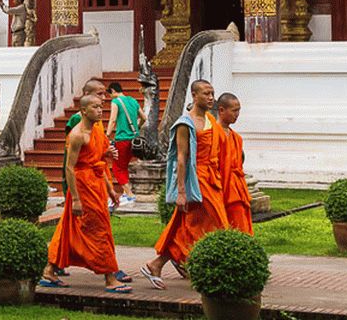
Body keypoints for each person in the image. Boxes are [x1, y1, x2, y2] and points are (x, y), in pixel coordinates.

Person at [141, 80, 228, 289]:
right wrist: (181, 192)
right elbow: (180, 159)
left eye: (212, 93)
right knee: (214, 226)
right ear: (194, 96)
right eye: (206, 93)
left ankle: (157, 264)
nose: (211, 98)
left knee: (193, 228)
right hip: (196, 182)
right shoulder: (185, 124)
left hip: (212, 179)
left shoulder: (210, 120)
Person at [40, 95, 130, 293]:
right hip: (83, 187)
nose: (100, 110)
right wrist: (76, 199)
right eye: (95, 107)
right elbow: (69, 168)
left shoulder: (97, 130)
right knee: (99, 229)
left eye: (101, 107)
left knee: (69, 228)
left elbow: (96, 161)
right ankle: (110, 277)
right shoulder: (77, 135)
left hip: (96, 183)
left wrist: (110, 189)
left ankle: (49, 270)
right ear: (83, 111)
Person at [217, 92, 252, 234]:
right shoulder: (213, 134)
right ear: (221, 110)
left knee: (240, 221)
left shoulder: (236, 137)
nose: (237, 114)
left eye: (238, 110)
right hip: (221, 184)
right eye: (234, 111)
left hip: (236, 186)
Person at [105, 81, 145, 205]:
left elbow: (112, 120)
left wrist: (106, 136)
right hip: (134, 140)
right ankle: (126, 193)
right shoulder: (133, 100)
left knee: (117, 168)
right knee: (124, 166)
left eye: (110, 93)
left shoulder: (116, 102)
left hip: (122, 139)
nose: (110, 96)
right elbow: (144, 117)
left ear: (113, 90)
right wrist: (137, 127)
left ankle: (130, 195)